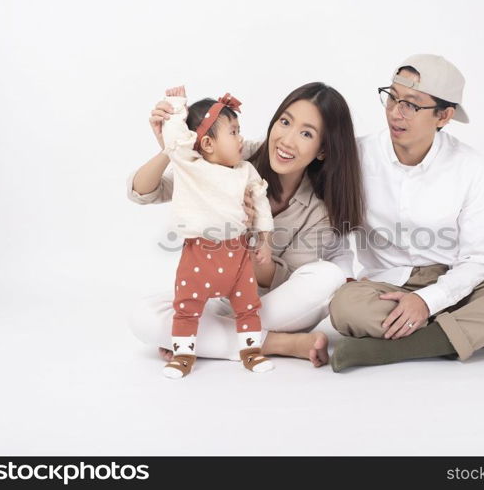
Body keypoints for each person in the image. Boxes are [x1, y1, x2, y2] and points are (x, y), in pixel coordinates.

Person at [328, 54, 484, 372]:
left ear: (444, 116)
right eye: (392, 98)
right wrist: (345, 278)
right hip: (384, 286)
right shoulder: (357, 156)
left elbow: (479, 260)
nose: (395, 113)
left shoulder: (469, 166)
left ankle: (390, 350)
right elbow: (337, 234)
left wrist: (428, 301)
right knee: (345, 308)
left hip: (453, 284)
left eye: (412, 105)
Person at [127, 82, 364, 368]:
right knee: (142, 315)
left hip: (267, 303)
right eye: (285, 122)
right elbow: (144, 192)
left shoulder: (318, 208)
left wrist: (247, 231)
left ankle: (199, 339)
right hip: (217, 295)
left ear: (323, 150)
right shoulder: (236, 157)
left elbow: (287, 280)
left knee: (329, 276)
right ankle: (274, 343)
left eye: (306, 133)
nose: (287, 140)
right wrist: (171, 149)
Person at [158, 87, 275, 378]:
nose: (241, 139)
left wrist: (265, 241)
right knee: (186, 308)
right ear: (208, 143)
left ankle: (250, 351)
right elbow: (174, 141)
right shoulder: (189, 166)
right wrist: (176, 107)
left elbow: (261, 205)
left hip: (237, 257)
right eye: (233, 132)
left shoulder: (246, 171)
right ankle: (183, 354)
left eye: (240, 131)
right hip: (198, 255)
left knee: (248, 306)